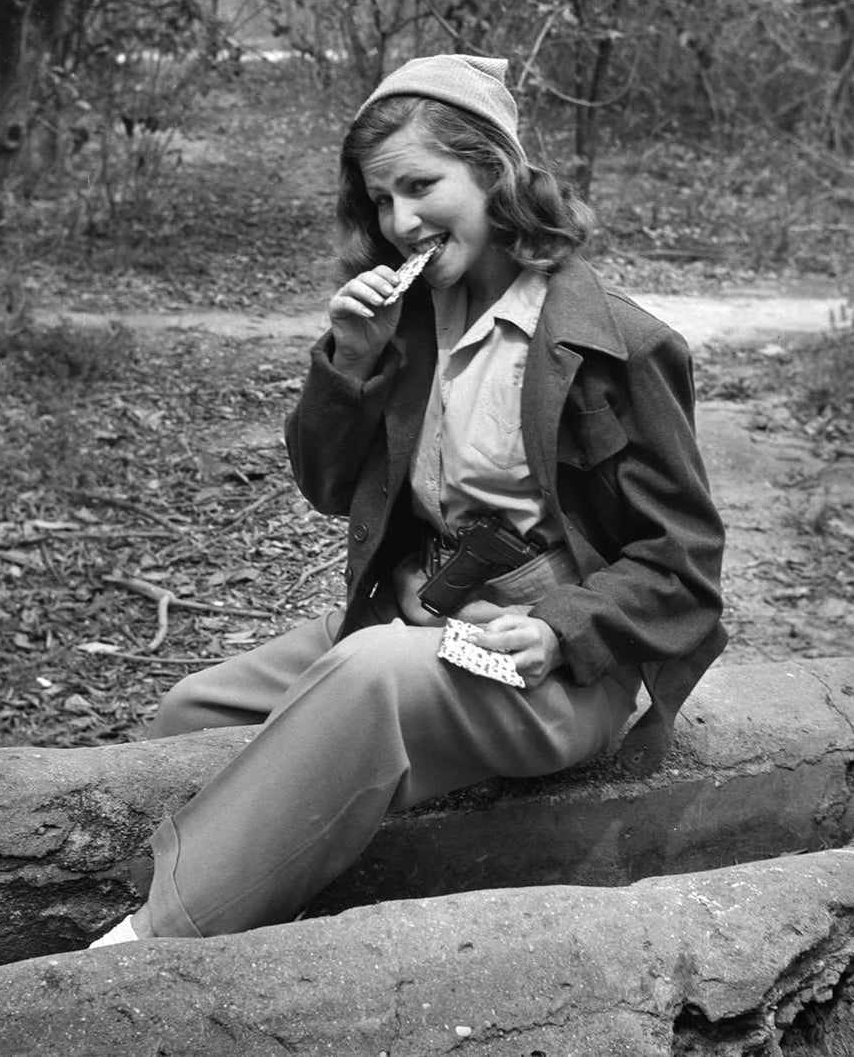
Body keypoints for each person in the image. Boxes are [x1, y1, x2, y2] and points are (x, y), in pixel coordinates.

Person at [91, 53, 725, 947]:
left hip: (547, 661)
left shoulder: (615, 343)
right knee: (187, 715)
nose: (400, 221)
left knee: (368, 673)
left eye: (422, 186)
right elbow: (322, 486)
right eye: (381, 199)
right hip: (413, 617)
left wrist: (562, 628)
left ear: (496, 172)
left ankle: (151, 947)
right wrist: (349, 359)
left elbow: (685, 566)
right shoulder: (407, 322)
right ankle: (189, 875)